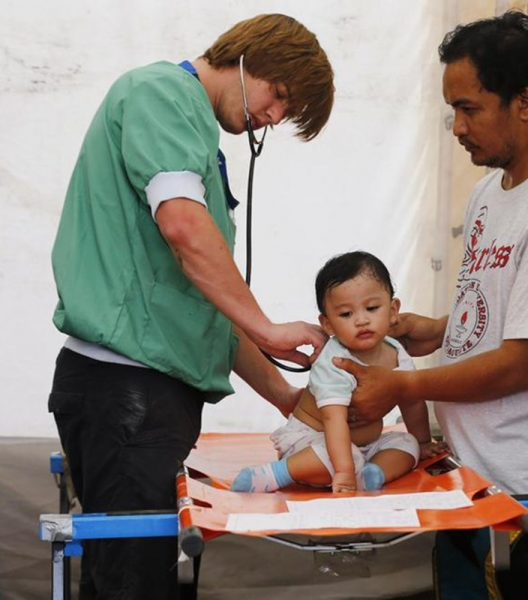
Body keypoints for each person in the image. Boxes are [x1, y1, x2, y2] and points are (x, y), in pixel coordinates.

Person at [47, 14, 334, 599]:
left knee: (134, 577)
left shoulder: (195, 134)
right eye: (279, 97)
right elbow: (183, 228)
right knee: (133, 586)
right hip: (124, 390)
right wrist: (270, 327)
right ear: (249, 56)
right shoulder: (160, 94)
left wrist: (290, 399)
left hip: (141, 398)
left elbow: (206, 312)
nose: (273, 118)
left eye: (285, 114)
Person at [334, 11, 528, 598]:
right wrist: (426, 329)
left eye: (469, 108)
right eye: (451, 110)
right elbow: (494, 315)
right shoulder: (492, 189)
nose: (456, 127)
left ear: (525, 102)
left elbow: (520, 363)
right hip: (468, 482)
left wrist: (404, 386)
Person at [230, 251, 445, 494]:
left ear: (393, 310)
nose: (361, 320)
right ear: (328, 324)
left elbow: (412, 400)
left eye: (372, 308)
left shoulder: (396, 351)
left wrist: (424, 441)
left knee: (407, 444)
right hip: (313, 442)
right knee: (340, 458)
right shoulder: (334, 361)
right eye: (346, 314)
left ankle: (373, 474)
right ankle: (273, 474)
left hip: (365, 446)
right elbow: (334, 419)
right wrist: (343, 472)